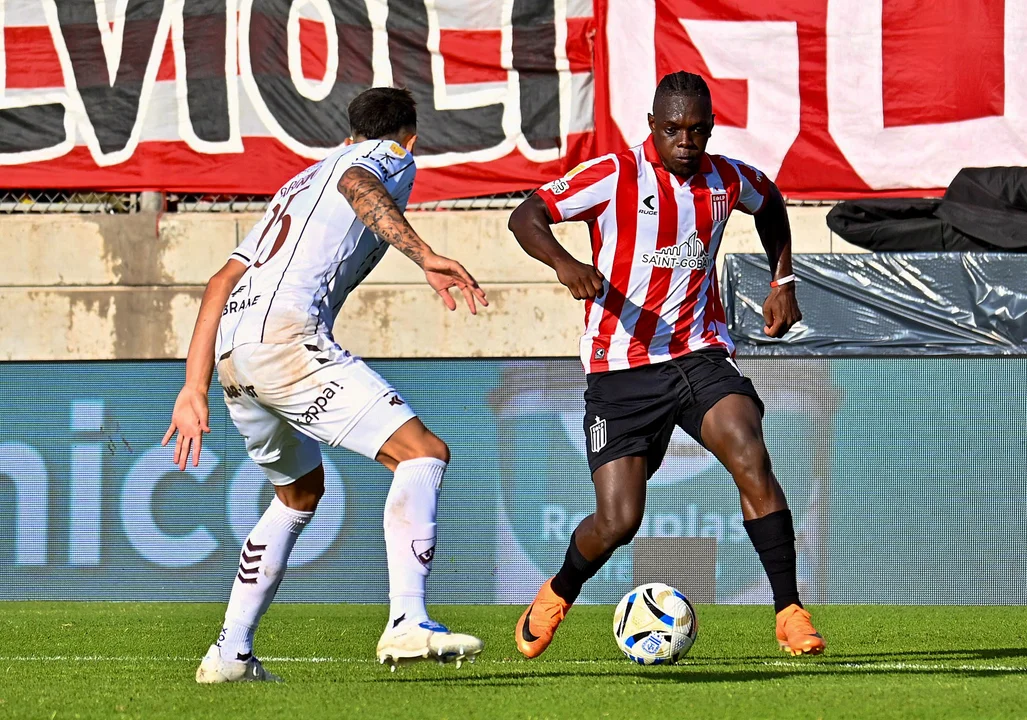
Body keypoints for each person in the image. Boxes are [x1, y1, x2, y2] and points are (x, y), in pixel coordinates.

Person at [162, 87, 488, 683]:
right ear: (409, 139)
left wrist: (194, 386)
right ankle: (407, 620)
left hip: (234, 350)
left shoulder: (297, 183)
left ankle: (230, 653)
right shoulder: (388, 156)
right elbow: (360, 183)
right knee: (422, 454)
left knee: (297, 494)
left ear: (346, 133)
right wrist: (424, 255)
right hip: (286, 340)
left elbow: (218, 282)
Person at [507, 71, 825, 658]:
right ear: (652, 125)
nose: (686, 141)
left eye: (697, 130)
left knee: (748, 450)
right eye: (674, 129)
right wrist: (565, 263)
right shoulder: (613, 175)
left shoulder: (727, 178)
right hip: (619, 369)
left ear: (711, 128)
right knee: (619, 520)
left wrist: (783, 280)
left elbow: (771, 203)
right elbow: (526, 216)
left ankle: (789, 611)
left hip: (698, 354)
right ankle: (558, 591)